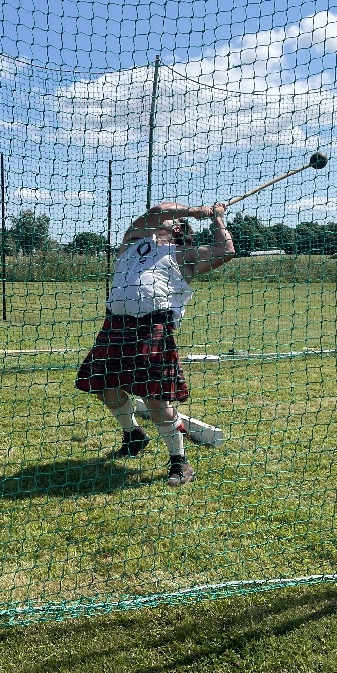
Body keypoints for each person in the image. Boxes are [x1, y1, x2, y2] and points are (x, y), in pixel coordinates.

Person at [75, 200, 235, 487]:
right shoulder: (133, 240)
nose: (162, 222)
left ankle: (180, 461)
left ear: (176, 230)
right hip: (115, 324)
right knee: (104, 385)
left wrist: (216, 218)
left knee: (156, 399)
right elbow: (158, 211)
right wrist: (200, 210)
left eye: (170, 222)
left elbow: (227, 250)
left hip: (153, 327)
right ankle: (133, 433)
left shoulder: (183, 255)